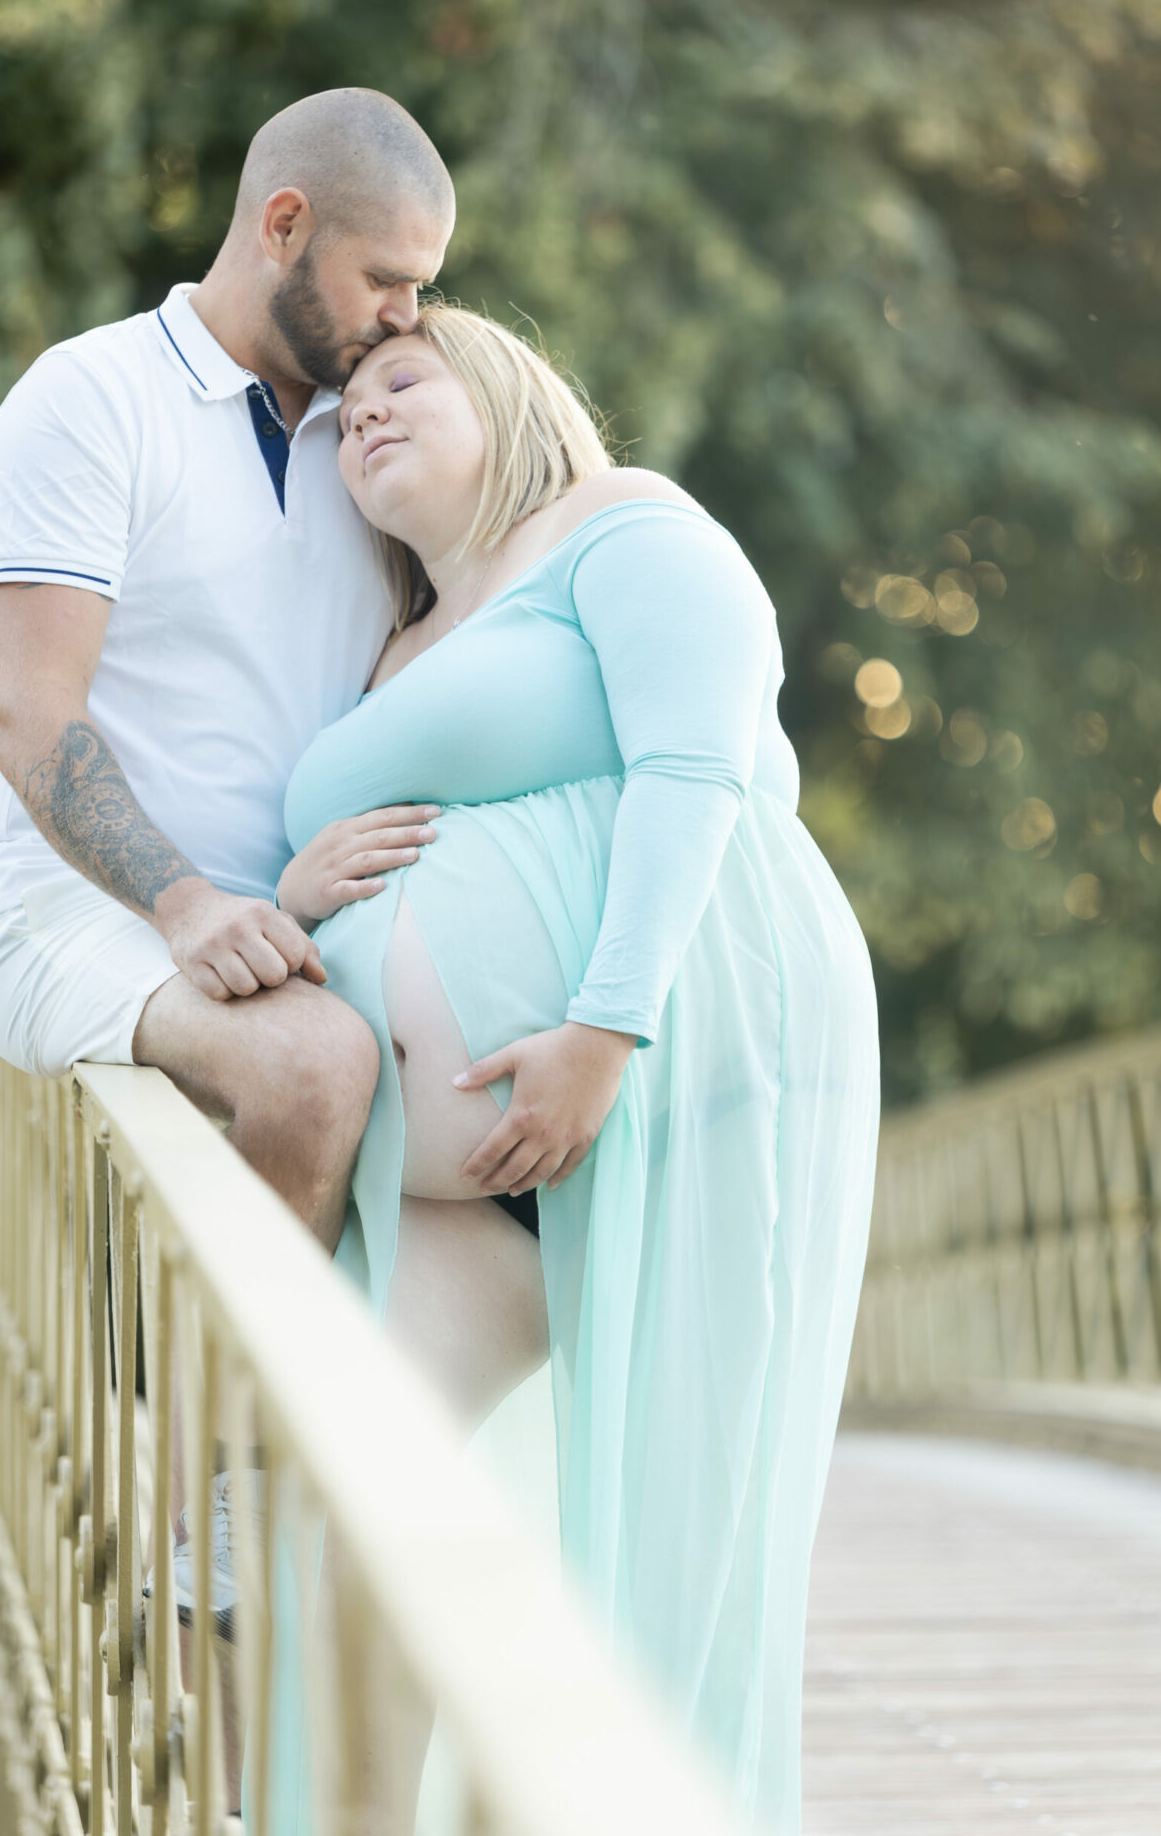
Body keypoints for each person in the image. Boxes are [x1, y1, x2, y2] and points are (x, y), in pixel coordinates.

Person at [275, 304, 881, 1831]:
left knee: (674, 1562)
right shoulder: (393, 646)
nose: (368, 415)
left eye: (405, 379)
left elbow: (698, 770)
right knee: (351, 1526)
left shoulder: (618, 526)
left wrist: (606, 1036)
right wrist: (293, 898)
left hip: (680, 1079)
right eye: (347, 414)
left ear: (511, 394)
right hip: (472, 1184)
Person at [0, 92, 562, 1625]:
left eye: (423, 290)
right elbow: (33, 716)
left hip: (304, 916)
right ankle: (205, 1504)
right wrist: (183, 900)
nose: (406, 318)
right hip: (82, 912)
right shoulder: (86, 399)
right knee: (311, 1072)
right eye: (388, 280)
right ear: (283, 224)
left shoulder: (369, 437)